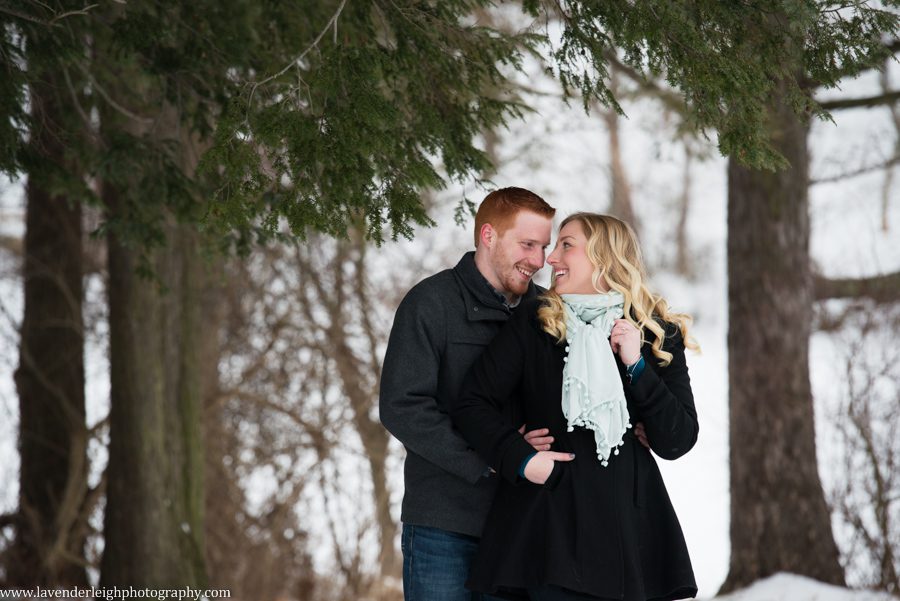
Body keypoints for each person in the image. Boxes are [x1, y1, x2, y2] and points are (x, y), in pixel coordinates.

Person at [450, 213, 700, 601]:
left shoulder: (655, 332)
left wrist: (636, 366)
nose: (550, 259)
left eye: (567, 244)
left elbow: (678, 439)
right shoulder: (537, 324)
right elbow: (472, 404)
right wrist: (520, 458)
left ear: (604, 256)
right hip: (548, 532)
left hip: (629, 537)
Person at [379, 187, 558, 601]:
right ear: (489, 236)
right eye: (527, 244)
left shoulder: (549, 312)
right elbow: (403, 406)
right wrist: (498, 457)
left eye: (545, 247)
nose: (539, 259)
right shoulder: (431, 303)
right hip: (445, 524)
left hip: (523, 525)